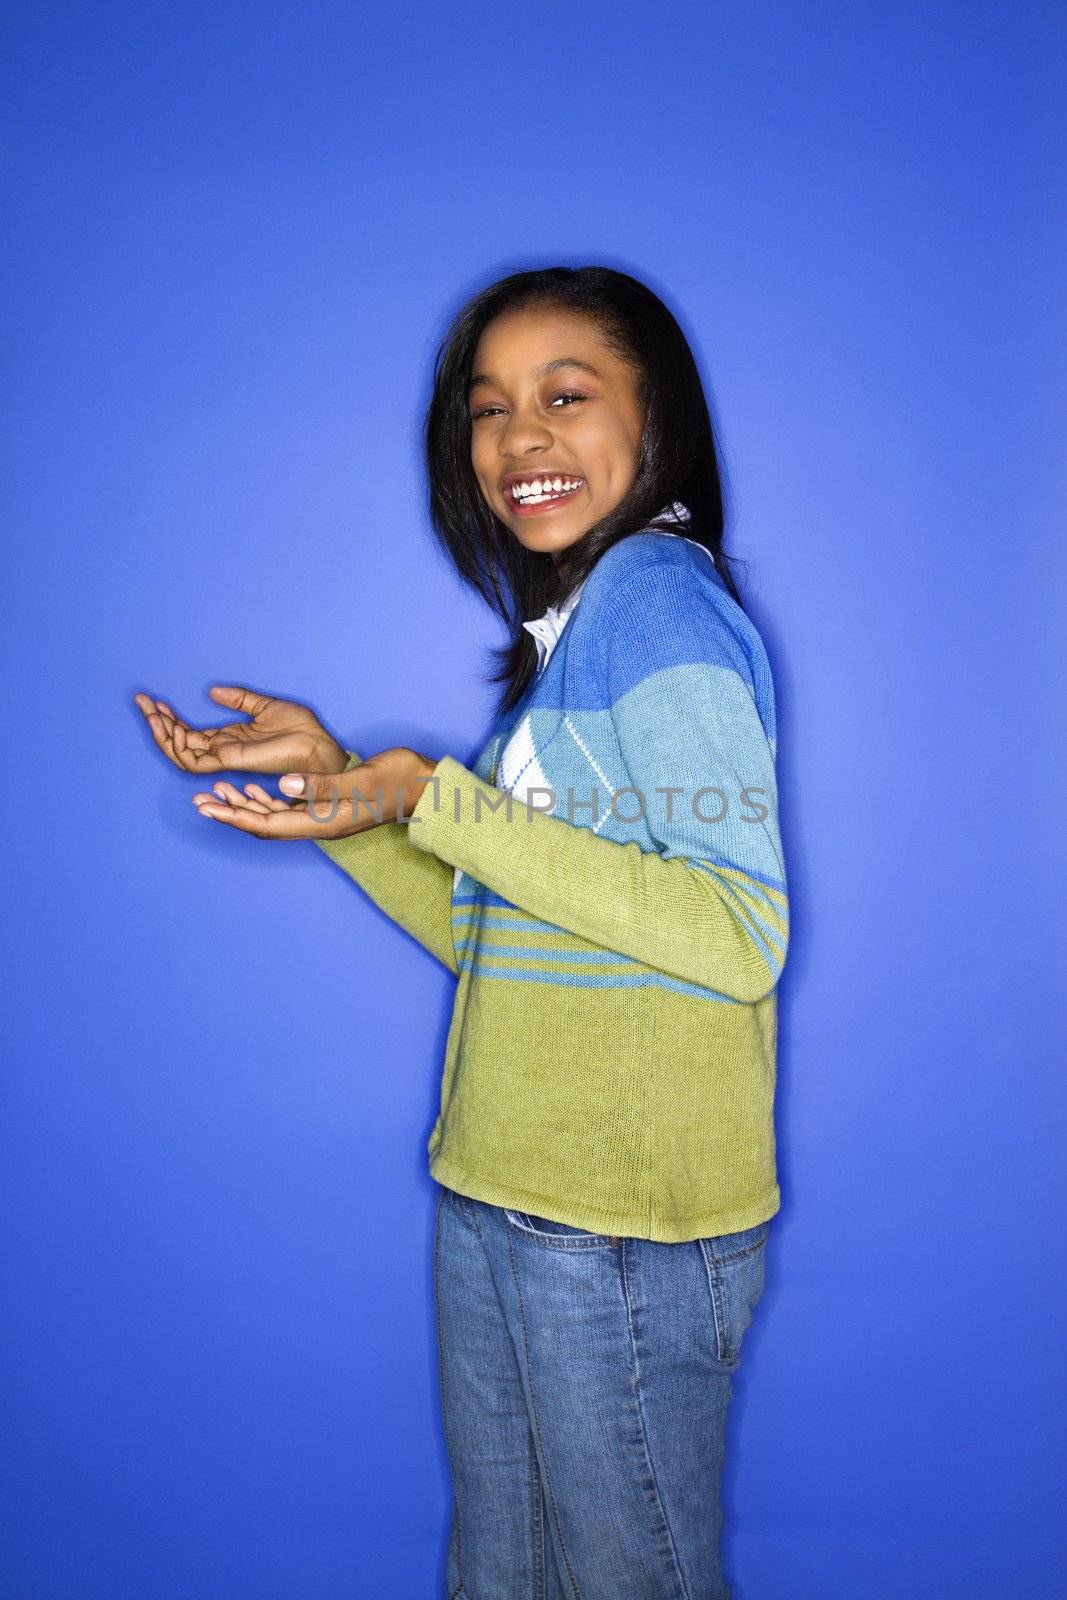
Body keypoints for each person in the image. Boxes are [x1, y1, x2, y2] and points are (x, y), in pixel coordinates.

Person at [134, 265, 789, 1600]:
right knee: (501, 1573)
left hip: (619, 1226)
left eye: (565, 394)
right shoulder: (577, 632)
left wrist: (436, 794)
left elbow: (737, 933)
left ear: (653, 415)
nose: (518, 436)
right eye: (489, 409)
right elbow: (515, 931)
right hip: (507, 1191)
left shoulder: (660, 602)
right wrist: (357, 802)